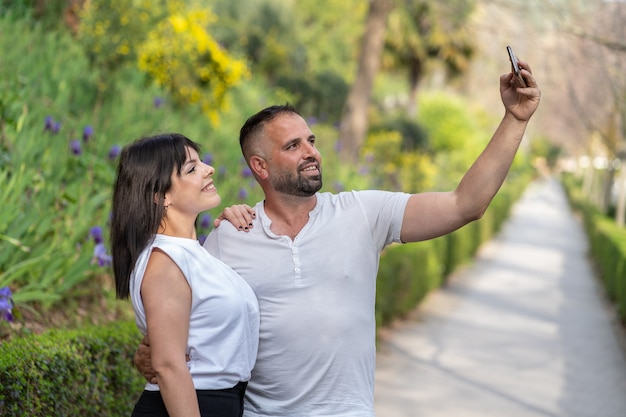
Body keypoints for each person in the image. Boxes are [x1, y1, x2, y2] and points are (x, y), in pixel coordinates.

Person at [136, 60, 541, 416]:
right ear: (259, 166)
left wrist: (516, 119)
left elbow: (464, 204)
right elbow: (187, 332)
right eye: (293, 146)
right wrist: (148, 353)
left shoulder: (363, 212)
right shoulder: (228, 237)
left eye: (312, 140)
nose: (311, 151)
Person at [111, 133, 260, 417]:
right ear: (161, 196)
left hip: (220, 402)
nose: (209, 169)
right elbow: (168, 367)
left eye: (201, 163)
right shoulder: (165, 262)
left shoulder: (193, 253)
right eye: (192, 169)